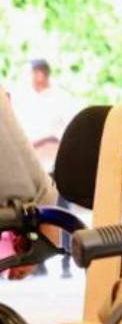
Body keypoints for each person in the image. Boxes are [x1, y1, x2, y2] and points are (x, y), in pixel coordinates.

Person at [10, 59, 77, 275]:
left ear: (41, 74)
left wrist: (53, 140)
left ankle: (67, 260)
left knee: (62, 212)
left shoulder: (60, 97)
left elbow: (70, 128)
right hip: (33, 162)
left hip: (56, 160)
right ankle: (39, 262)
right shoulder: (24, 97)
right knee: (34, 213)